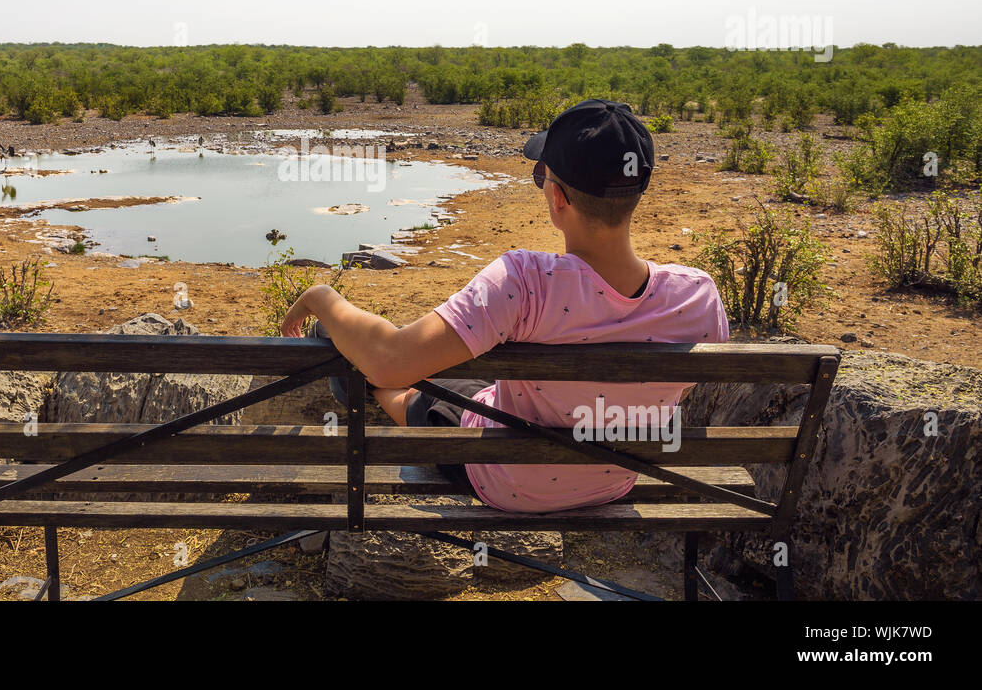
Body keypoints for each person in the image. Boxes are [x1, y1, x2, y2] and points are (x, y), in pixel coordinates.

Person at [279, 99, 729, 513]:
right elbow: (672, 393)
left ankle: (371, 395)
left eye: (543, 175)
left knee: (421, 396)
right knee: (473, 380)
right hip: (613, 480)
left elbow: (389, 361)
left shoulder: (527, 281)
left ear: (558, 198)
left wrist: (323, 297)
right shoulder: (697, 296)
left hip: (512, 482)